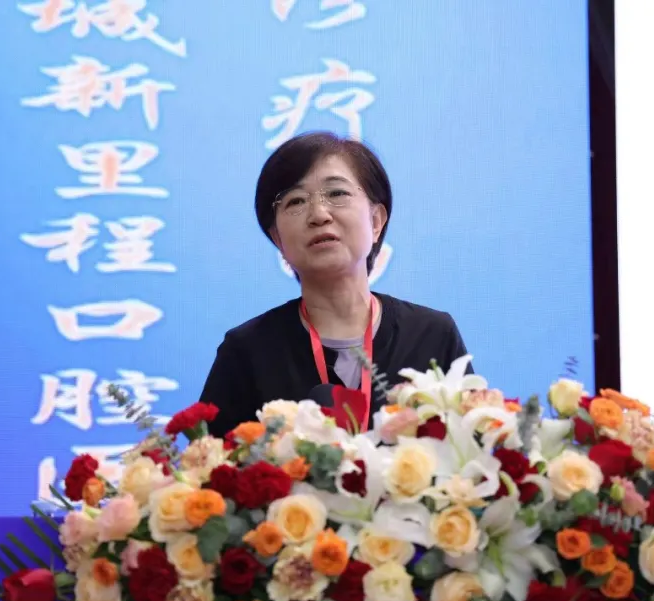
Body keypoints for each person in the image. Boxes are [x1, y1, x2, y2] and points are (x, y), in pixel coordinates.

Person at [201, 132, 471, 437]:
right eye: (296, 201)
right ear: (277, 238)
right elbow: (213, 464)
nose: (319, 215)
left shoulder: (432, 335)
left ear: (376, 221)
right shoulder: (247, 352)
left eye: (337, 193)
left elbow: (470, 455)